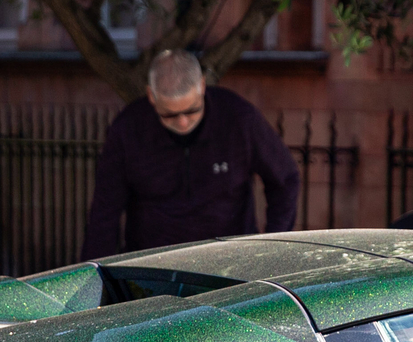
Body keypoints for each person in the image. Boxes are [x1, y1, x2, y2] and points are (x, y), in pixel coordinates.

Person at [82, 52, 302, 258]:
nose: (183, 122)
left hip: (231, 264)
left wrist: (271, 249)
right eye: (169, 114)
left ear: (202, 87)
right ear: (151, 96)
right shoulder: (128, 129)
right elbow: (104, 212)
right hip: (153, 265)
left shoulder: (238, 119)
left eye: (192, 110)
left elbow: (285, 179)